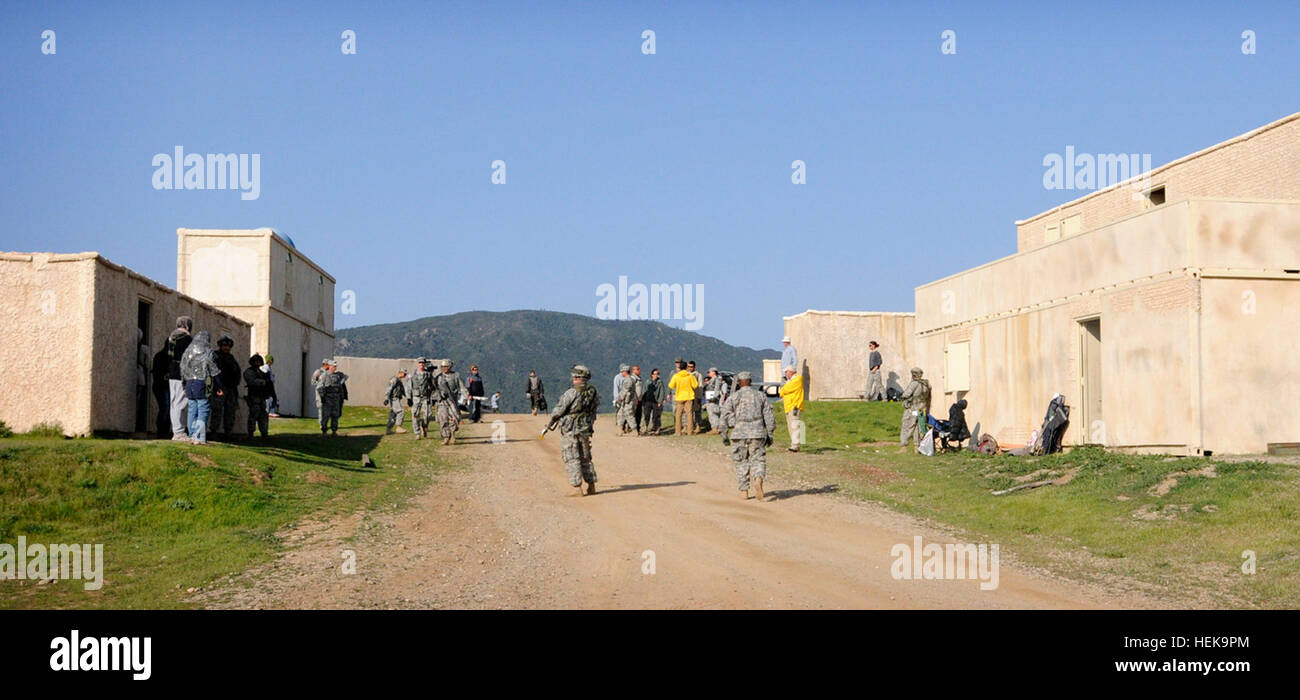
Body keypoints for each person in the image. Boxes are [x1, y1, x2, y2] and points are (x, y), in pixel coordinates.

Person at [721, 371, 776, 501]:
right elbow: (769, 416)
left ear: (739, 383)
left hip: (739, 433)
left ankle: (744, 490)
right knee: (758, 459)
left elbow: (724, 416)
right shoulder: (760, 396)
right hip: (757, 432)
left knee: (741, 461)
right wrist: (770, 433)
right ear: (750, 382)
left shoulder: (734, 397)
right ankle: (758, 478)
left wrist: (724, 434)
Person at [547, 364, 600, 496]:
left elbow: (559, 410)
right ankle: (591, 485)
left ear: (576, 377)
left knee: (572, 457)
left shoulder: (571, 392)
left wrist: (552, 421)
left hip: (571, 429)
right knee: (585, 457)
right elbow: (594, 407)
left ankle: (577, 488)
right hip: (585, 428)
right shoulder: (592, 392)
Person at [179, 330, 222, 445]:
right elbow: (214, 370)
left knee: (192, 410)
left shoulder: (188, 352)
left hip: (189, 383)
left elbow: (182, 368)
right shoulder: (208, 352)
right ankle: (200, 437)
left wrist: (184, 384)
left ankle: (192, 435)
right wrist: (219, 386)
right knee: (203, 409)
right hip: (202, 383)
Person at [166, 316, 194, 440]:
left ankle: (176, 430)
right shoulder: (186, 338)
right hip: (182, 373)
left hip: (172, 372)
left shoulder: (171, 337)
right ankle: (179, 432)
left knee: (174, 402)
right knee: (181, 403)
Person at [210, 335, 242, 440]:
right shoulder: (215, 356)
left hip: (231, 389)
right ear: (220, 346)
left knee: (230, 411)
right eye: (224, 346)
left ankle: (228, 432)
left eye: (228, 346)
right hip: (219, 388)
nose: (226, 348)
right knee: (217, 410)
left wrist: (235, 383)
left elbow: (237, 372)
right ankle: (214, 431)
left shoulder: (231, 358)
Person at [433, 359, 465, 445]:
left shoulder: (456, 375)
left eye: (446, 366)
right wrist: (438, 395)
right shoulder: (438, 377)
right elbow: (433, 389)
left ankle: (453, 435)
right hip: (442, 401)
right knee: (442, 419)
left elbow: (462, 387)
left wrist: (465, 396)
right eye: (443, 367)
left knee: (454, 418)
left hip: (452, 400)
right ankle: (446, 437)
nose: (444, 368)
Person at [899, 367, 932, 449]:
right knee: (918, 428)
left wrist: (903, 398)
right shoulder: (926, 384)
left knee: (907, 426)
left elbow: (906, 394)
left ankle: (904, 446)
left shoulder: (914, 384)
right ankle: (917, 447)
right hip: (922, 409)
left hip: (913, 409)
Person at [243, 354, 274, 438]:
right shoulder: (249, 372)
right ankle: (250, 433)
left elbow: (268, 383)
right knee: (253, 415)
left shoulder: (261, 372)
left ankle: (264, 433)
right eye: (256, 361)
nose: (257, 363)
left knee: (263, 416)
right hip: (254, 396)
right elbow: (252, 381)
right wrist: (264, 382)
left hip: (262, 397)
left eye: (259, 361)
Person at [316, 359, 348, 436]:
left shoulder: (337, 376)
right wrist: (323, 397)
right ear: (329, 366)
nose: (335, 368)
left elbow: (340, 387)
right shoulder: (324, 375)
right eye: (333, 366)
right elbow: (319, 387)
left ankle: (334, 431)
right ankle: (324, 430)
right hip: (327, 399)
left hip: (336, 399)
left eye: (335, 366)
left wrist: (341, 397)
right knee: (326, 415)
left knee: (335, 415)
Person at [668, 360, 699, 435]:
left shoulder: (676, 376)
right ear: (686, 367)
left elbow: (671, 386)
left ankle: (678, 432)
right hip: (689, 396)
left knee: (678, 415)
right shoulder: (690, 376)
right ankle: (690, 431)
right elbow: (695, 385)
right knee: (689, 414)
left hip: (679, 397)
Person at [779, 366, 805, 452]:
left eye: (786, 372)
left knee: (795, 426)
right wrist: (783, 390)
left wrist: (783, 389)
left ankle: (795, 445)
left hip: (794, 406)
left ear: (791, 372)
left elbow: (784, 390)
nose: (785, 374)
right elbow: (782, 391)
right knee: (790, 426)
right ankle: (793, 445)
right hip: (789, 406)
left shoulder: (797, 379)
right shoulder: (790, 381)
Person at [409, 358, 435, 439]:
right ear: (418, 364)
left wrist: (433, 397)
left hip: (425, 397)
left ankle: (424, 426)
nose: (421, 364)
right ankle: (417, 432)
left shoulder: (428, 374)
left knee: (428, 414)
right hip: (416, 397)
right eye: (420, 363)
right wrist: (408, 398)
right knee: (415, 415)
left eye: (423, 363)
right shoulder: (413, 374)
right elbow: (409, 386)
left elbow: (433, 386)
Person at [150, 345, 172, 437]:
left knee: (168, 409)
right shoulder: (160, 357)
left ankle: (165, 431)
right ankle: (161, 431)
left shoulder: (170, 357)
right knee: (165, 408)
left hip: (168, 386)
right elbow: (157, 373)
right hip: (161, 386)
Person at [639, 368, 666, 435]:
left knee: (656, 415)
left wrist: (660, 401)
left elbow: (662, 392)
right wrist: (643, 400)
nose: (656, 375)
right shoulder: (648, 382)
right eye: (655, 374)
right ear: (652, 375)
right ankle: (645, 427)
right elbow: (644, 391)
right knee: (646, 414)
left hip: (656, 401)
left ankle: (656, 428)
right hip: (648, 401)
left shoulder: (660, 383)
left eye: (657, 374)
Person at [616, 365, 641, 435]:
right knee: (620, 414)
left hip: (628, 401)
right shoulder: (629, 379)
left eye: (622, 372)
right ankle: (620, 430)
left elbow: (625, 390)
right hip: (626, 401)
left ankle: (634, 430)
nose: (621, 373)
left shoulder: (628, 380)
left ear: (625, 372)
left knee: (629, 415)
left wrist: (620, 398)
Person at [384, 369, 409, 435]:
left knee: (393, 414)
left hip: (396, 398)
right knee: (401, 411)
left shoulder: (399, 380)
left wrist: (409, 398)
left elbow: (403, 390)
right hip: (394, 399)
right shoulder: (394, 379)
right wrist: (386, 398)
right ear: (400, 373)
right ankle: (399, 427)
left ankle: (388, 429)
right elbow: (389, 388)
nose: (405, 375)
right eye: (404, 374)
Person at [703, 367, 727, 434]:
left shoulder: (717, 379)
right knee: (711, 414)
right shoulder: (713, 379)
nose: (708, 373)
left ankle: (715, 428)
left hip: (712, 400)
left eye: (709, 372)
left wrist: (714, 398)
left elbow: (717, 389)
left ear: (713, 372)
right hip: (710, 399)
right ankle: (715, 428)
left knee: (713, 414)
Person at [687, 361, 704, 428]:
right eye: (689, 366)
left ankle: (698, 425)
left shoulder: (698, 375)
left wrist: (699, 396)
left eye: (691, 367)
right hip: (688, 395)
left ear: (694, 367)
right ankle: (689, 425)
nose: (690, 368)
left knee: (697, 411)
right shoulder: (686, 374)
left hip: (696, 395)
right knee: (688, 412)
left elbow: (700, 386)